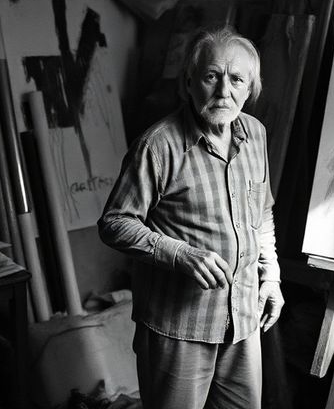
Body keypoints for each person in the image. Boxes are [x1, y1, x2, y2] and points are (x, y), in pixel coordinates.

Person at [98, 26, 284, 409]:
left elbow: (261, 212)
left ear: (251, 89)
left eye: (236, 80)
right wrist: (180, 254)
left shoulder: (256, 135)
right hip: (178, 327)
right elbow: (115, 222)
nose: (223, 92)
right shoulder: (158, 145)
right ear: (189, 81)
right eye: (211, 76)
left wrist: (272, 276)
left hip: (243, 318)